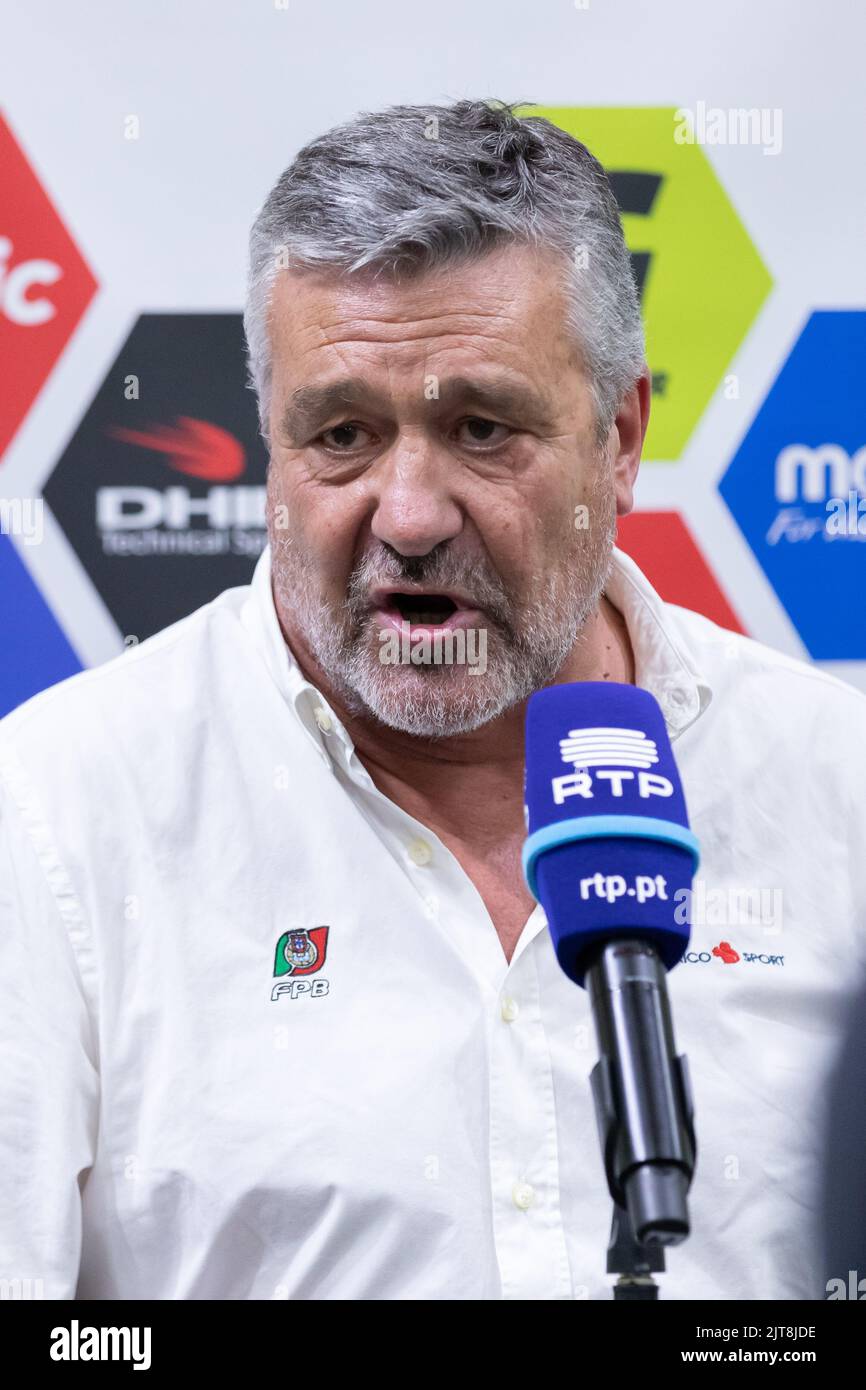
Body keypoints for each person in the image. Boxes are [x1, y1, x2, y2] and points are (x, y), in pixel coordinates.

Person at [1, 98, 864, 1301]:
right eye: (342, 434)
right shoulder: (53, 815)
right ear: (269, 445)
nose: (408, 515)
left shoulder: (837, 787)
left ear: (617, 441)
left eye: (481, 428)